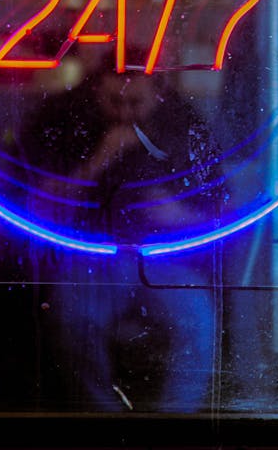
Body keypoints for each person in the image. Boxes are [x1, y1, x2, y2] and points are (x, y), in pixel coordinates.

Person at [17, 52, 225, 413]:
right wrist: (101, 158)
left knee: (197, 322)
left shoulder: (183, 125)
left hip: (166, 258)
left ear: (157, 93)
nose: (126, 113)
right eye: (115, 101)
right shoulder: (67, 120)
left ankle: (177, 422)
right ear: (97, 91)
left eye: (136, 103)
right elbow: (38, 201)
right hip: (93, 255)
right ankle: (104, 421)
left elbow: (219, 209)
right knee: (74, 320)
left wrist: (174, 213)